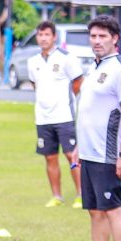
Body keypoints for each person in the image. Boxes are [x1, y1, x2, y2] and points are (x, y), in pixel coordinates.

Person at [68, 15, 121, 241]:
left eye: (102, 36)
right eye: (93, 36)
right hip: (89, 153)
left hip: (109, 154)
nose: (96, 41)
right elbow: (89, 112)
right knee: (95, 211)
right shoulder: (95, 68)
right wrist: (78, 148)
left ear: (115, 38)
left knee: (114, 210)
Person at [28, 20, 84, 208]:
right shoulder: (32, 61)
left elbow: (77, 83)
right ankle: (57, 196)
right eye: (40, 35)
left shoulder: (66, 58)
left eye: (47, 35)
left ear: (54, 37)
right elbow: (35, 85)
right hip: (43, 119)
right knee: (50, 157)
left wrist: (67, 102)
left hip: (65, 117)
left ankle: (81, 195)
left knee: (72, 157)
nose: (43, 38)